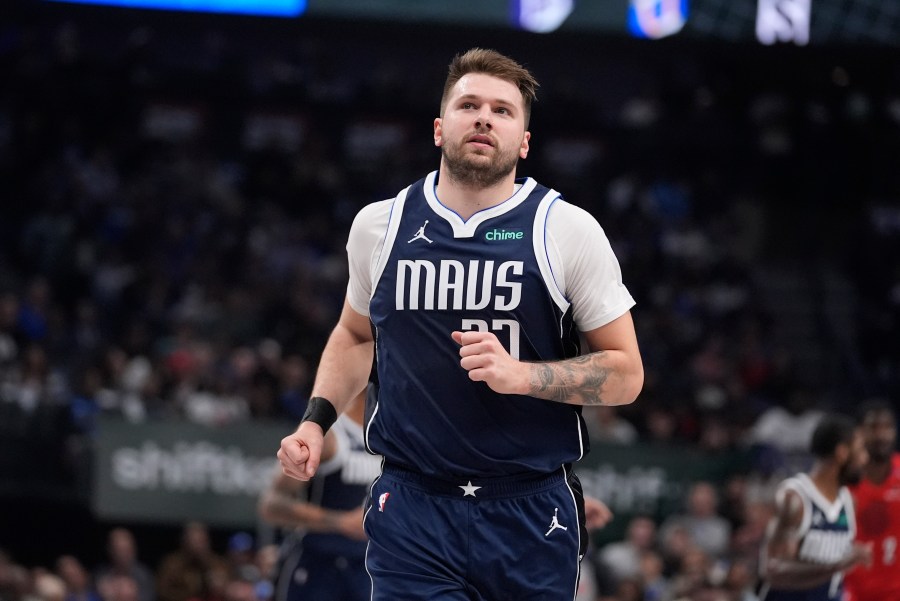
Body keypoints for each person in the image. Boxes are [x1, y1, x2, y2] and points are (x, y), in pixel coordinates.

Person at [277, 47, 643, 599]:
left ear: (523, 140)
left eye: (502, 110)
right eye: (469, 104)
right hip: (413, 504)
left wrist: (522, 376)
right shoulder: (380, 225)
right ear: (439, 127)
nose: (483, 118)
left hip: (529, 507)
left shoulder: (567, 230)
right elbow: (355, 335)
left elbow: (627, 373)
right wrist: (315, 420)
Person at [258, 391, 380, 601]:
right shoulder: (329, 433)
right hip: (317, 559)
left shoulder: (390, 434)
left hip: (367, 564)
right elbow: (272, 504)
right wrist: (340, 521)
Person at [757, 414, 872, 601]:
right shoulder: (795, 498)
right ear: (842, 452)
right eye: (860, 450)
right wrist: (838, 564)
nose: (865, 459)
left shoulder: (849, 500)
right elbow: (772, 569)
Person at [844, 399, 900, 601]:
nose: (881, 435)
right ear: (859, 432)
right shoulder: (843, 480)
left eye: (887, 427)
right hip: (852, 592)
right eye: (873, 428)